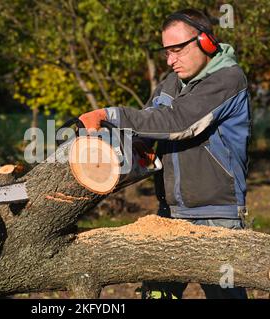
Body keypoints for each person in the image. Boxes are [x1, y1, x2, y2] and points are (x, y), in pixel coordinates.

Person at [78, 8, 250, 299]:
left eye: (178, 50)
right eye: (167, 53)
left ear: (206, 42)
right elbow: (150, 119)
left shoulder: (228, 80)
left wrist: (109, 114)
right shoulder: (172, 82)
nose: (171, 60)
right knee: (156, 294)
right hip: (171, 213)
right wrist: (123, 148)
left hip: (216, 216)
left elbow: (178, 123)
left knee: (225, 296)